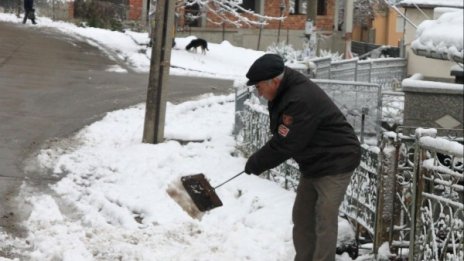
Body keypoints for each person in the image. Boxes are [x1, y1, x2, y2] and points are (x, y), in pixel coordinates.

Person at [244, 53, 361, 261]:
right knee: (302, 216)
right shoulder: (283, 91)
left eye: (259, 87)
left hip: (337, 159)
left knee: (324, 215)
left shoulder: (299, 98)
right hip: (314, 161)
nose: (258, 93)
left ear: (274, 81)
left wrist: (256, 162)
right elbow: (283, 135)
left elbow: (287, 143)